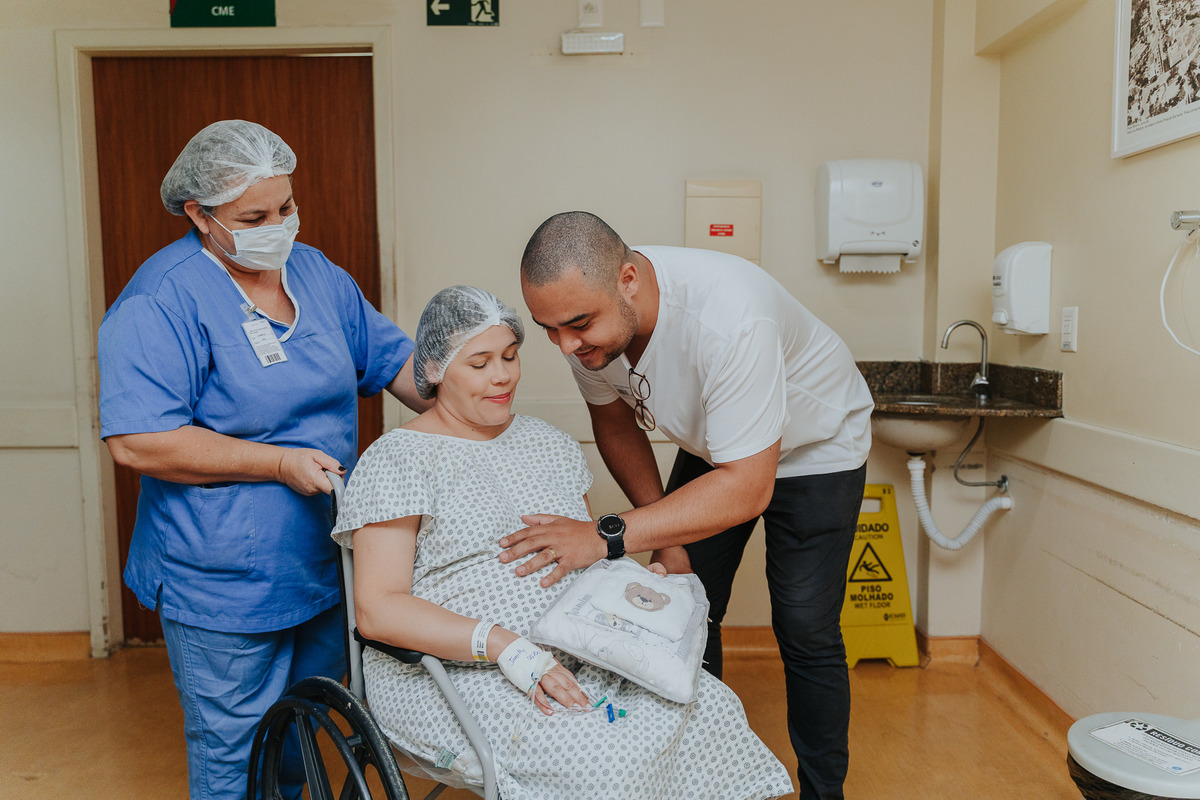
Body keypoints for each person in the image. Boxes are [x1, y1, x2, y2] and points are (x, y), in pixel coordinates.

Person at [332, 285, 793, 800]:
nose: (503, 375)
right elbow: (378, 609)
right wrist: (504, 646)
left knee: (713, 712)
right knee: (607, 765)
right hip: (451, 670)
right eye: (480, 363)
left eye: (510, 356)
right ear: (436, 368)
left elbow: (588, 556)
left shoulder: (548, 443)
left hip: (585, 647)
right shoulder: (398, 459)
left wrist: (630, 588)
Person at [97, 120, 429, 800]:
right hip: (223, 581)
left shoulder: (316, 273)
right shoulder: (163, 298)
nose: (277, 227)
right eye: (253, 218)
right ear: (200, 214)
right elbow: (138, 439)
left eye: (286, 207)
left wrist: (476, 390)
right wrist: (277, 464)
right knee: (238, 759)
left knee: (303, 739)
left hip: (324, 562)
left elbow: (398, 364)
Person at [502, 211, 874, 799]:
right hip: (719, 446)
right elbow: (615, 422)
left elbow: (748, 487)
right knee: (687, 603)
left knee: (805, 627)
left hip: (817, 448)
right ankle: (703, 781)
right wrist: (667, 540)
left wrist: (605, 535)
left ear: (628, 280)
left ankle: (824, 794)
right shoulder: (587, 316)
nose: (566, 345)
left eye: (578, 325)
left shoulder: (731, 316)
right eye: (549, 329)